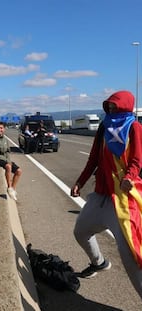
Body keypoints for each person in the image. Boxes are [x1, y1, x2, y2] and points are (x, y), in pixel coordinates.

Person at [71, 90, 142, 298]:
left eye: (114, 106)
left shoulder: (134, 127)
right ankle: (99, 263)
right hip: (100, 196)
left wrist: (129, 176)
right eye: (109, 106)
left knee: (132, 258)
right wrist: (80, 182)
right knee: (80, 231)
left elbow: (137, 160)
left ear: (125, 106)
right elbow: (93, 159)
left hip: (122, 199)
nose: (111, 110)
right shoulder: (104, 126)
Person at [0, 121, 22, 201]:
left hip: (5, 159)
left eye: (1, 128)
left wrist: (8, 160)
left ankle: (13, 189)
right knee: (8, 166)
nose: (0, 130)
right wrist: (6, 161)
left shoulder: (5, 139)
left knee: (19, 171)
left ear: (4, 129)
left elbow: (8, 152)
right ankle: (9, 187)